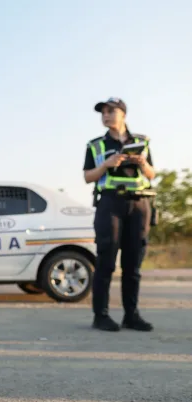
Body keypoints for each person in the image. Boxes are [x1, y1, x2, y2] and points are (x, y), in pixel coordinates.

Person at [83, 97, 155, 332]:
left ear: (123, 114)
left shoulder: (141, 142)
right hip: (110, 203)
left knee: (133, 264)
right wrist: (107, 164)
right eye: (103, 112)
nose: (105, 115)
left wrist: (142, 163)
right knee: (106, 261)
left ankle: (131, 316)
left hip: (138, 203)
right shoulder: (96, 145)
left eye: (110, 111)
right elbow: (87, 177)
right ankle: (100, 316)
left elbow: (152, 174)